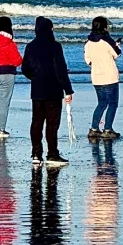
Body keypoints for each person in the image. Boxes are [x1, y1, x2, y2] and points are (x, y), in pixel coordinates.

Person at [21, 16, 74, 167]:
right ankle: (52, 154)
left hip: (37, 88)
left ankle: (36, 154)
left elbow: (25, 68)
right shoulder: (55, 46)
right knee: (52, 123)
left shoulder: (30, 46)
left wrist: (35, 77)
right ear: (50, 29)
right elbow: (61, 69)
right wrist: (68, 90)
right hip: (54, 89)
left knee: (36, 121)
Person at [84, 16, 122, 140]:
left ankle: (94, 128)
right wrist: (118, 45)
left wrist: (95, 65)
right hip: (109, 75)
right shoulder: (107, 40)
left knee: (101, 103)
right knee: (112, 103)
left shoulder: (88, 42)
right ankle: (107, 129)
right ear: (104, 26)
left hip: (96, 76)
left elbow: (87, 60)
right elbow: (117, 54)